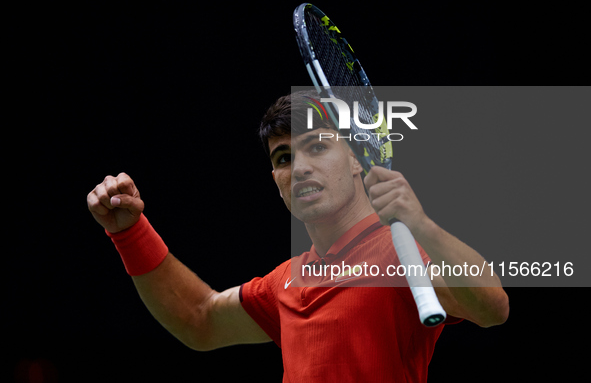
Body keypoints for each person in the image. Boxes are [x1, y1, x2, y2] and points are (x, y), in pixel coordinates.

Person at [87, 90, 509, 382]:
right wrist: (130, 233)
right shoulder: (286, 281)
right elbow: (199, 318)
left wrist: (422, 225)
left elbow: (493, 307)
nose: (300, 167)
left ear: (356, 159)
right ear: (275, 178)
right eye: (284, 157)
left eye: (318, 147)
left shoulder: (400, 253)